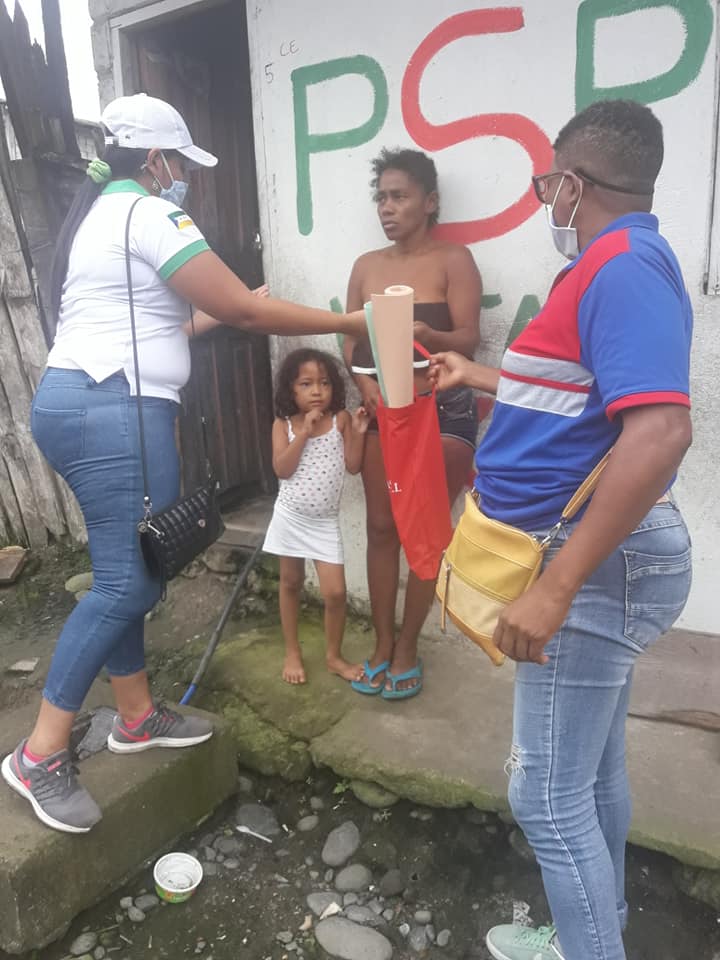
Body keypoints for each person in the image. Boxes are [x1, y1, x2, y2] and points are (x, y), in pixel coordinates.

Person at [1, 93, 364, 835]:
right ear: (155, 159)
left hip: (91, 403)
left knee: (127, 571)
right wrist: (346, 320)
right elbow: (244, 313)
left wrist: (225, 309)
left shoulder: (105, 214)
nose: (184, 177)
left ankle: (135, 716)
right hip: (113, 410)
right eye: (179, 163)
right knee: (126, 584)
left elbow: (165, 323)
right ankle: (39, 754)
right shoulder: (149, 214)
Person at [431, 100, 692, 960]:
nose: (544, 199)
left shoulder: (622, 264)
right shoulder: (608, 266)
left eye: (546, 184)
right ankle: (595, 929)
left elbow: (661, 432)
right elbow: (575, 401)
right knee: (593, 771)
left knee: (544, 796)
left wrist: (557, 585)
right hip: (582, 557)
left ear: (573, 185)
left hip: (585, 565)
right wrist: (481, 374)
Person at [343, 148, 482, 699]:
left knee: (422, 531)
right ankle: (381, 643)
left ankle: (407, 646)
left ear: (429, 201)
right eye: (381, 197)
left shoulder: (454, 260)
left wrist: (428, 334)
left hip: (440, 409)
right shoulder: (365, 266)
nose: (387, 207)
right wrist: (365, 388)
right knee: (381, 527)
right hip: (382, 408)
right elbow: (351, 341)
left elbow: (469, 338)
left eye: (399, 196)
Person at [263, 348, 370, 684]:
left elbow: (353, 466)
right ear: (290, 389)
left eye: (324, 383)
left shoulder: (340, 420)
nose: (317, 391)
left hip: (324, 522)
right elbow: (282, 469)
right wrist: (304, 433)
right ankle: (292, 650)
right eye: (306, 384)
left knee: (335, 592)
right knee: (291, 582)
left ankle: (334, 657)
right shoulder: (283, 425)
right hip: (291, 517)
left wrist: (359, 432)